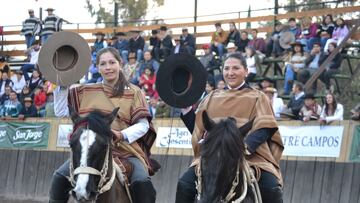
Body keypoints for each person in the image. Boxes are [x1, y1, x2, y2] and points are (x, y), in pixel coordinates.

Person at [49, 47, 157, 203]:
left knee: (142, 182)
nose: (108, 67)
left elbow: (143, 125)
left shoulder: (134, 92)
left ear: (120, 64)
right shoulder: (85, 90)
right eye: (103, 64)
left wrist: (121, 135)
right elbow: (60, 111)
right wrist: (62, 85)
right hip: (92, 151)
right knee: (59, 177)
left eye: (112, 62)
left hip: (126, 151)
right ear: (97, 68)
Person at [175, 52, 284, 203]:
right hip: (214, 156)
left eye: (235, 68)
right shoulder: (211, 97)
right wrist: (186, 110)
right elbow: (199, 130)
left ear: (246, 71)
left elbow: (265, 127)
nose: (230, 73)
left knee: (271, 187)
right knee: (184, 185)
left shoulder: (258, 97)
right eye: (226, 69)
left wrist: (244, 146)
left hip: (249, 157)